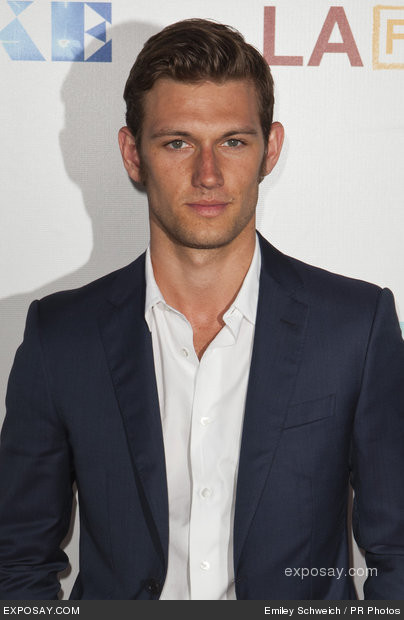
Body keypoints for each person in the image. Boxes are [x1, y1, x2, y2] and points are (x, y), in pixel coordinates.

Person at [0, 18, 403, 601]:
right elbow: (15, 558)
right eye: (178, 142)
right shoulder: (61, 336)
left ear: (271, 150)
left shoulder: (354, 328)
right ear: (133, 154)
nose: (208, 175)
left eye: (233, 142)